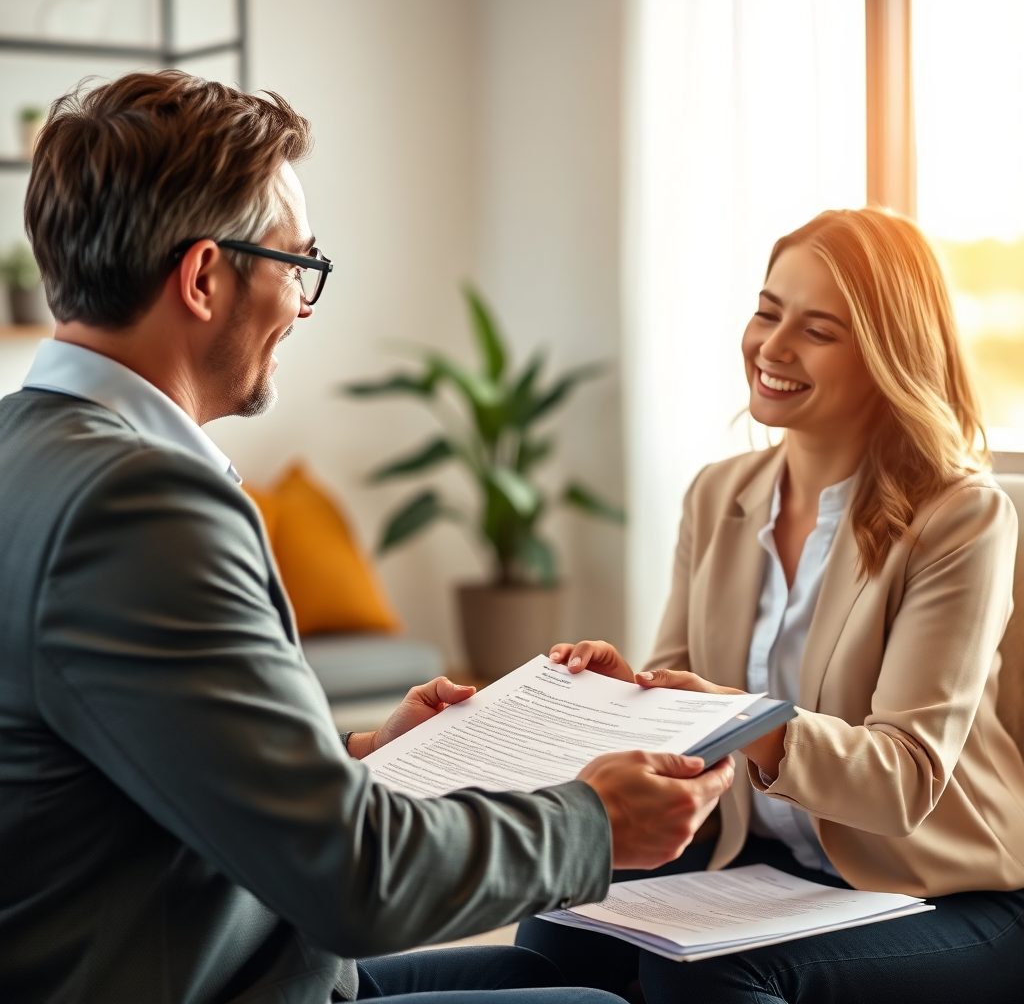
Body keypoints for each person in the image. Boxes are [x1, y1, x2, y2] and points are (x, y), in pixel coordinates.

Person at [0, 71, 735, 1004]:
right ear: (203, 277)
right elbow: (352, 884)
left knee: (539, 965)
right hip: (211, 979)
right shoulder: (141, 506)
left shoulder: (22, 450)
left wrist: (359, 757)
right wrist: (595, 819)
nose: (302, 307)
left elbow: (128, 759)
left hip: (184, 949)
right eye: (297, 267)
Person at [517, 208, 1024, 1003]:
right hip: (764, 860)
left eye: (819, 329)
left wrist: (742, 715)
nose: (772, 347)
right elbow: (686, 708)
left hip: (950, 888)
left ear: (888, 355)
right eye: (766, 311)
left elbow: (905, 777)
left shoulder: (961, 517)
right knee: (554, 921)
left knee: (710, 977)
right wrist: (627, 695)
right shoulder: (720, 494)